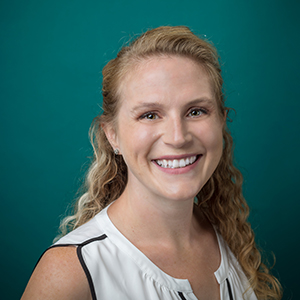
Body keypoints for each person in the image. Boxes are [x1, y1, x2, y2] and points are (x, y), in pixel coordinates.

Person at [21, 26, 282, 300]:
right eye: (149, 115)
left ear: (221, 121)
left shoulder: (228, 236)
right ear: (112, 135)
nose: (178, 137)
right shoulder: (70, 271)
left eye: (196, 111)